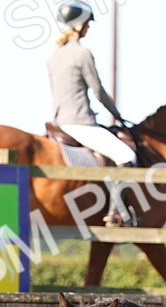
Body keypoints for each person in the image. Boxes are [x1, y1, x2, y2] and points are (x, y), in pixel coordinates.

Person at [47, 0, 136, 225]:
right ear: (78, 26)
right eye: (86, 24)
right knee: (126, 156)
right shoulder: (82, 53)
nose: (88, 28)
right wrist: (117, 114)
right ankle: (117, 212)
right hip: (79, 123)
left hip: (58, 122)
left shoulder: (53, 55)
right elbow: (98, 92)